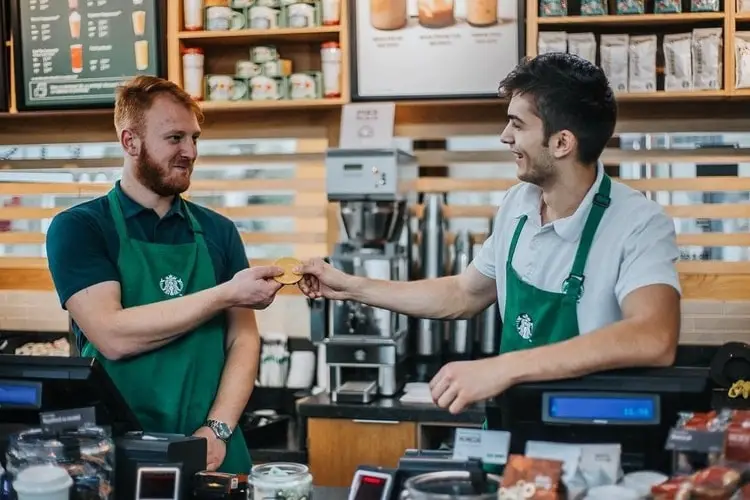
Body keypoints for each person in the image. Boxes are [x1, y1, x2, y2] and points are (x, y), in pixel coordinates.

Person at [296, 53, 681, 415]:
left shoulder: (638, 222)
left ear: (562, 142)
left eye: (517, 124)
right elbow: (464, 293)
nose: (504, 137)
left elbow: (653, 336)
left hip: (590, 431)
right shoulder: (518, 204)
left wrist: (504, 368)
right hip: (511, 422)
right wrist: (348, 286)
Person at [46, 76, 285, 473]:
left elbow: (243, 338)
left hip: (214, 450)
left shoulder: (218, 231)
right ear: (130, 142)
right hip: (119, 454)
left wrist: (217, 429)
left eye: (194, 138)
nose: (190, 151)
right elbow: (112, 335)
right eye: (175, 138)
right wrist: (225, 293)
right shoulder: (81, 228)